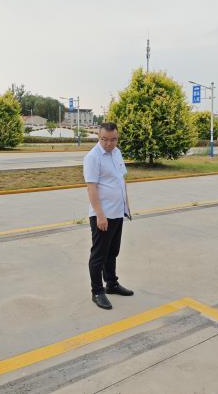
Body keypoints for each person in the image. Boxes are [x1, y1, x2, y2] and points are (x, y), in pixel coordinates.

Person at [83, 122, 133, 310]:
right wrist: (100, 215)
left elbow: (121, 180)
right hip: (103, 215)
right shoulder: (93, 157)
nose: (108, 143)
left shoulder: (117, 153)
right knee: (99, 255)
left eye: (113, 140)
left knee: (112, 252)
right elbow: (92, 188)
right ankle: (97, 291)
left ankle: (111, 283)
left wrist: (126, 206)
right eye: (104, 139)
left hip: (117, 212)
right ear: (99, 137)